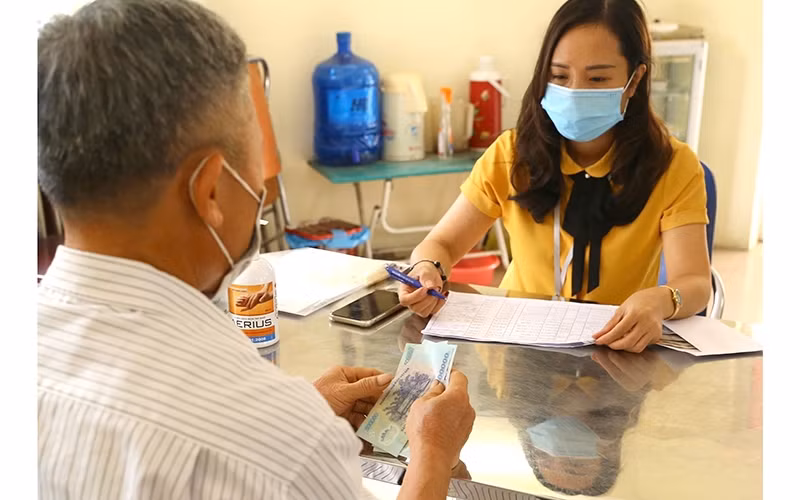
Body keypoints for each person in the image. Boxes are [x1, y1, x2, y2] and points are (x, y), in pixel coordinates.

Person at [37, 1, 474, 498]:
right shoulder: (279, 448)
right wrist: (433, 456)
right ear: (209, 192)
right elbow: (251, 446)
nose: (261, 188)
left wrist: (295, 415)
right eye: (255, 162)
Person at [399, 0, 712, 353]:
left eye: (598, 78)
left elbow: (696, 282)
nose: (576, 91)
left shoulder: (674, 166)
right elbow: (442, 245)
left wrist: (662, 299)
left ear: (634, 79)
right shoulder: (510, 155)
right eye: (560, 76)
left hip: (615, 351)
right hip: (517, 350)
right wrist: (426, 268)